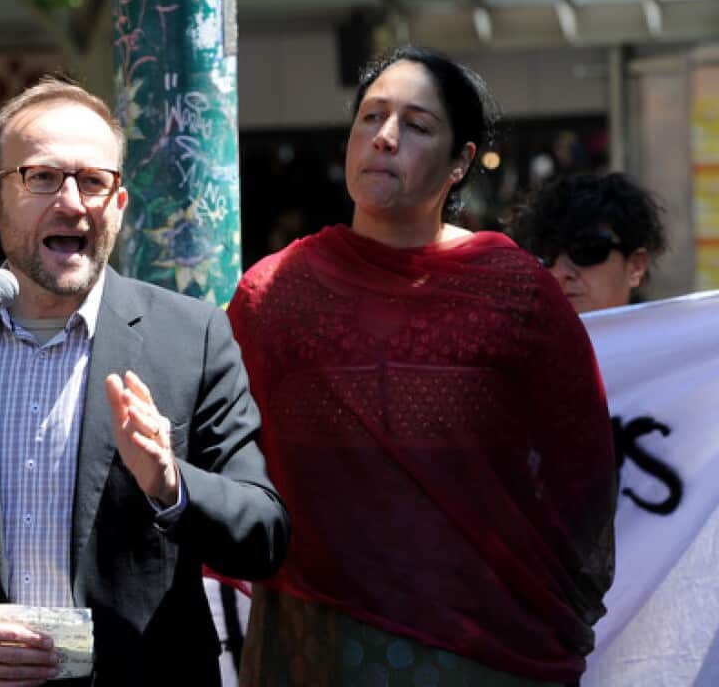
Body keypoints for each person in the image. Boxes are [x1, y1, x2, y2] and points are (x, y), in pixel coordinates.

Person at [0, 77, 289, 686]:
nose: (73, 202)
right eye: (42, 177)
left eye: (93, 181)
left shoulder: (191, 337)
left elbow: (263, 535)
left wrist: (169, 482)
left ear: (120, 204)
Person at [229, 47, 617, 686]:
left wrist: (530, 600)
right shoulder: (272, 295)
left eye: (417, 125)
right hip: (315, 645)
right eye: (371, 116)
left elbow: (581, 474)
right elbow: (230, 463)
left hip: (486, 649)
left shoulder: (517, 294)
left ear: (461, 161)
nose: (384, 138)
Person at [507, 172, 667, 313]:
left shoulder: (675, 344)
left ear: (635, 266)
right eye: (544, 255)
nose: (559, 273)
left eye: (585, 250)